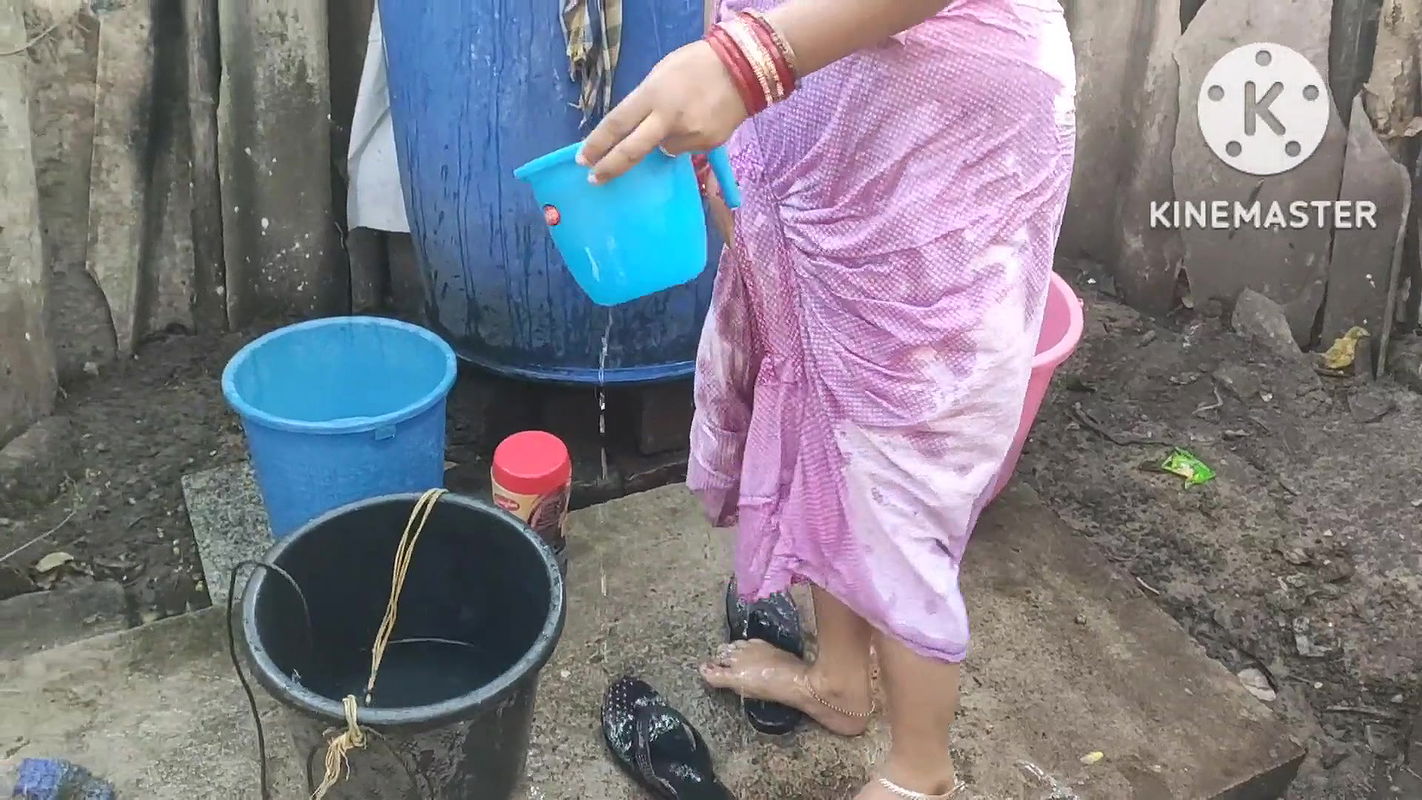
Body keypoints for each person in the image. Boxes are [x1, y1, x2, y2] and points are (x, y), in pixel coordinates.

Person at [578, 0, 1076, 797]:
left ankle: (921, 776)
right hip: (814, 135)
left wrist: (746, 62)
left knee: (896, 467)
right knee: (817, 411)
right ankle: (841, 680)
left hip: (932, 146)